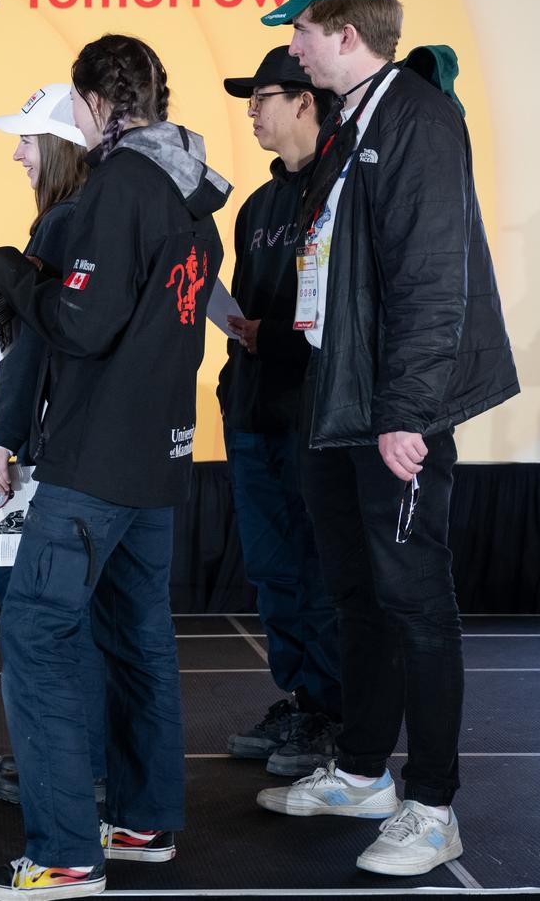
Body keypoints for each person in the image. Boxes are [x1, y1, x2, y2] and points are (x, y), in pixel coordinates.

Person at [252, 0, 519, 876]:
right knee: (358, 593)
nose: (290, 48)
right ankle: (365, 770)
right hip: (343, 402)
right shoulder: (351, 123)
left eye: (298, 31)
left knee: (415, 600)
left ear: (344, 34)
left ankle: (435, 803)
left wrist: (407, 413)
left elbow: (432, 277)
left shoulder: (416, 117)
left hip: (392, 412)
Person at [0, 35, 230, 900]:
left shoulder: (119, 188)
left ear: (89, 104)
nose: (18, 150)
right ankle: (145, 823)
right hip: (160, 455)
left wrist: (11, 272)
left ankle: (68, 856)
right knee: (137, 638)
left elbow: (79, 328)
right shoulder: (190, 189)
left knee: (36, 638)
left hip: (97, 460)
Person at [0, 84, 106, 807]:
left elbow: (36, 350)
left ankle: (61, 777)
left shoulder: (59, 226)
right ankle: (104, 773)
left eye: (27, 139)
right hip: (119, 454)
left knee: (35, 623)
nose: (17, 152)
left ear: (61, 144)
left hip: (63, 457)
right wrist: (0, 292)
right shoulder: (116, 216)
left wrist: (1, 438)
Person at [217, 47, 342, 776]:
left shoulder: (341, 188)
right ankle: (302, 698)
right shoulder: (258, 206)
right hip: (255, 408)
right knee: (271, 569)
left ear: (303, 99)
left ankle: (336, 711)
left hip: (317, 413)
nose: (253, 112)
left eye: (261, 97)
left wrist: (284, 339)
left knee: (320, 566)